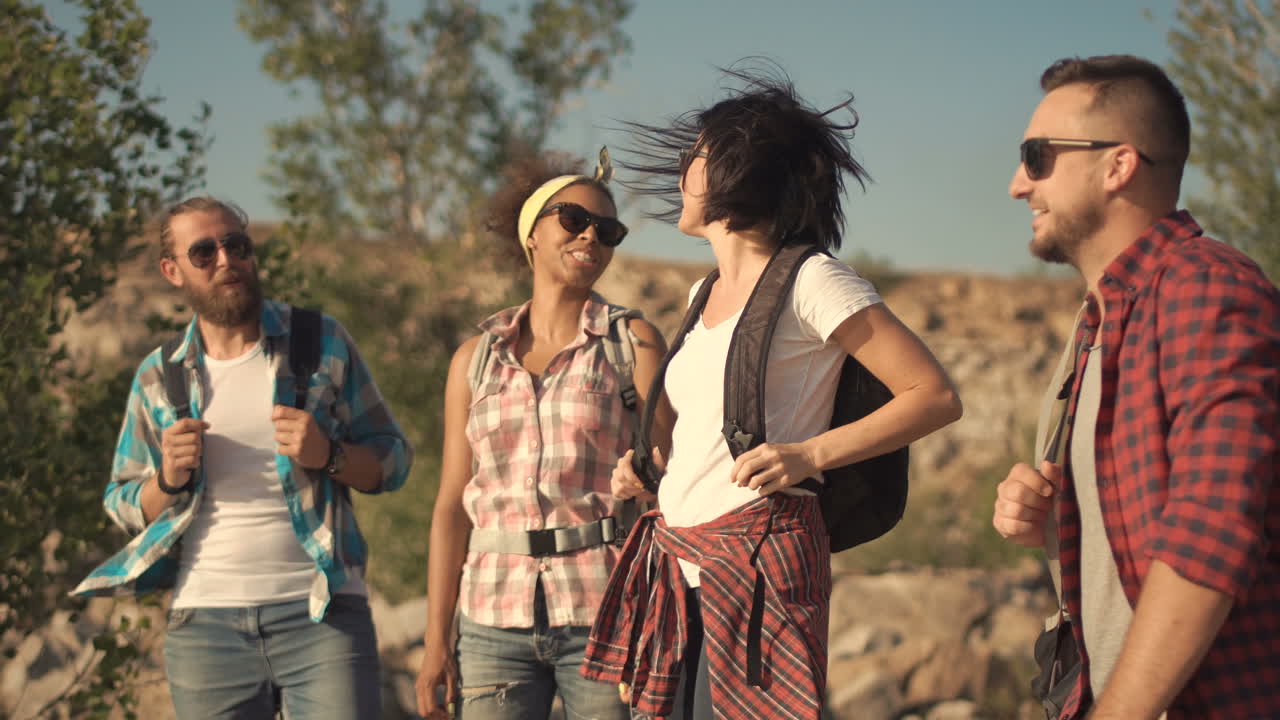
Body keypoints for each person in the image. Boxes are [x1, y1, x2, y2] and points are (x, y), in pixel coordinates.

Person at [583, 66, 963, 720]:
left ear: (734, 170)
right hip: (681, 567)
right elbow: (707, 427)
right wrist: (654, 474)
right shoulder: (703, 293)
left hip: (760, 567)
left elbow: (933, 395)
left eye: (692, 157)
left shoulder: (814, 279)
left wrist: (809, 454)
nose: (680, 174)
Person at [992, 54, 1280, 719]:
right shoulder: (1098, 325)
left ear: (1118, 165)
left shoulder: (1203, 288)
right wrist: (1045, 519)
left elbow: (1213, 530)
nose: (1017, 185)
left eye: (1038, 157)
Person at [72, 196, 412, 719]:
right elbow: (122, 503)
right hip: (207, 629)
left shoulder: (320, 342)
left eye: (236, 245)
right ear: (173, 271)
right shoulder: (158, 375)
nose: (226, 260)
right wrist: (166, 479)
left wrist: (329, 455)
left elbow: (393, 460)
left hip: (322, 614)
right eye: (204, 252)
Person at [413, 150, 671, 720]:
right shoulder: (474, 359)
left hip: (605, 612)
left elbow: (675, 476)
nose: (591, 238)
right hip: (489, 619)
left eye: (608, 230)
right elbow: (452, 507)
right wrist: (437, 643)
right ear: (532, 233)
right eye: (573, 220)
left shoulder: (633, 344)